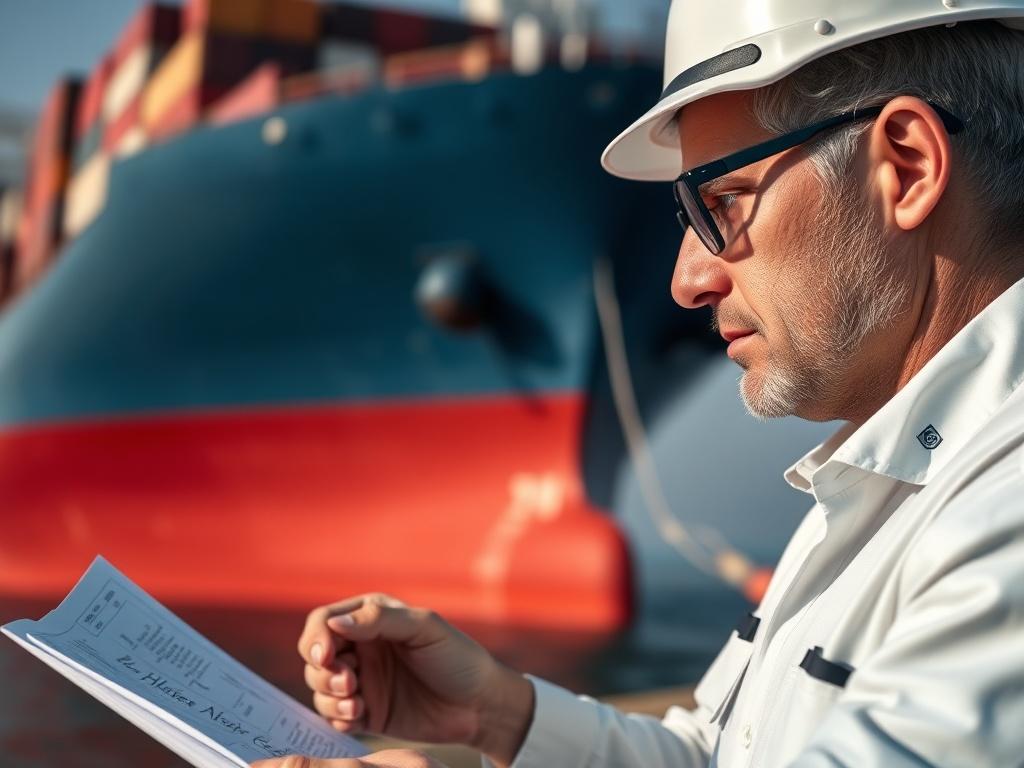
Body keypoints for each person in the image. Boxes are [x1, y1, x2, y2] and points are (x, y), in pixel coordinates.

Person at [254, 1, 1024, 766]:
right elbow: (715, 755)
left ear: (908, 168)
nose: (687, 278)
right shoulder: (879, 482)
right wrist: (501, 715)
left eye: (721, 201)